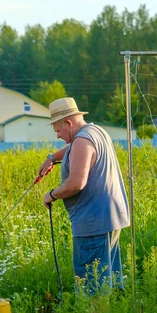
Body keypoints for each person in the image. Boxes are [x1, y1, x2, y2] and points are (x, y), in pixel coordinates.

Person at [38, 97, 129, 293]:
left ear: (68, 123)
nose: (58, 136)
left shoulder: (81, 141)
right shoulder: (95, 132)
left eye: (58, 130)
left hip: (92, 225)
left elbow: (76, 183)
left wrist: (51, 195)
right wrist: (52, 158)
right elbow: (75, 147)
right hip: (109, 220)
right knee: (107, 285)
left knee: (92, 290)